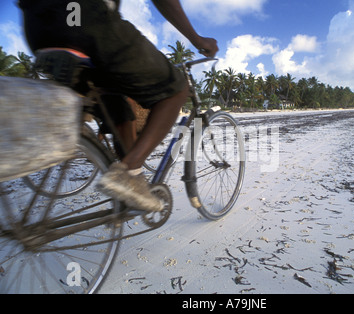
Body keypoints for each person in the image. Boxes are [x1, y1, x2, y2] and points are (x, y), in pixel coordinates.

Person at [18, 0, 218, 212]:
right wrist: (197, 40)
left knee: (118, 107)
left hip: (36, 27)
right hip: (82, 16)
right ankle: (129, 173)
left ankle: (129, 181)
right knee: (177, 89)